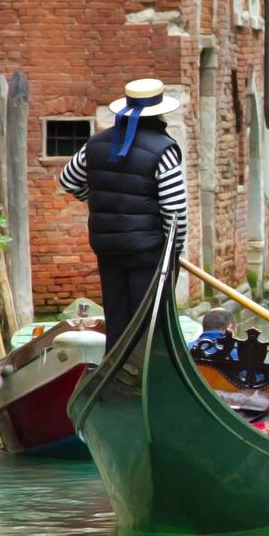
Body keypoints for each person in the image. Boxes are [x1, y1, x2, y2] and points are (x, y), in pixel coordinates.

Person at [59, 77, 187, 352]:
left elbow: (69, 180)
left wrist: (102, 203)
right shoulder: (163, 149)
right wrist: (173, 252)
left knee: (118, 321)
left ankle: (117, 376)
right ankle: (145, 376)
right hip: (148, 251)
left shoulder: (96, 143)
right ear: (160, 112)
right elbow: (175, 211)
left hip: (108, 248)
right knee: (150, 324)